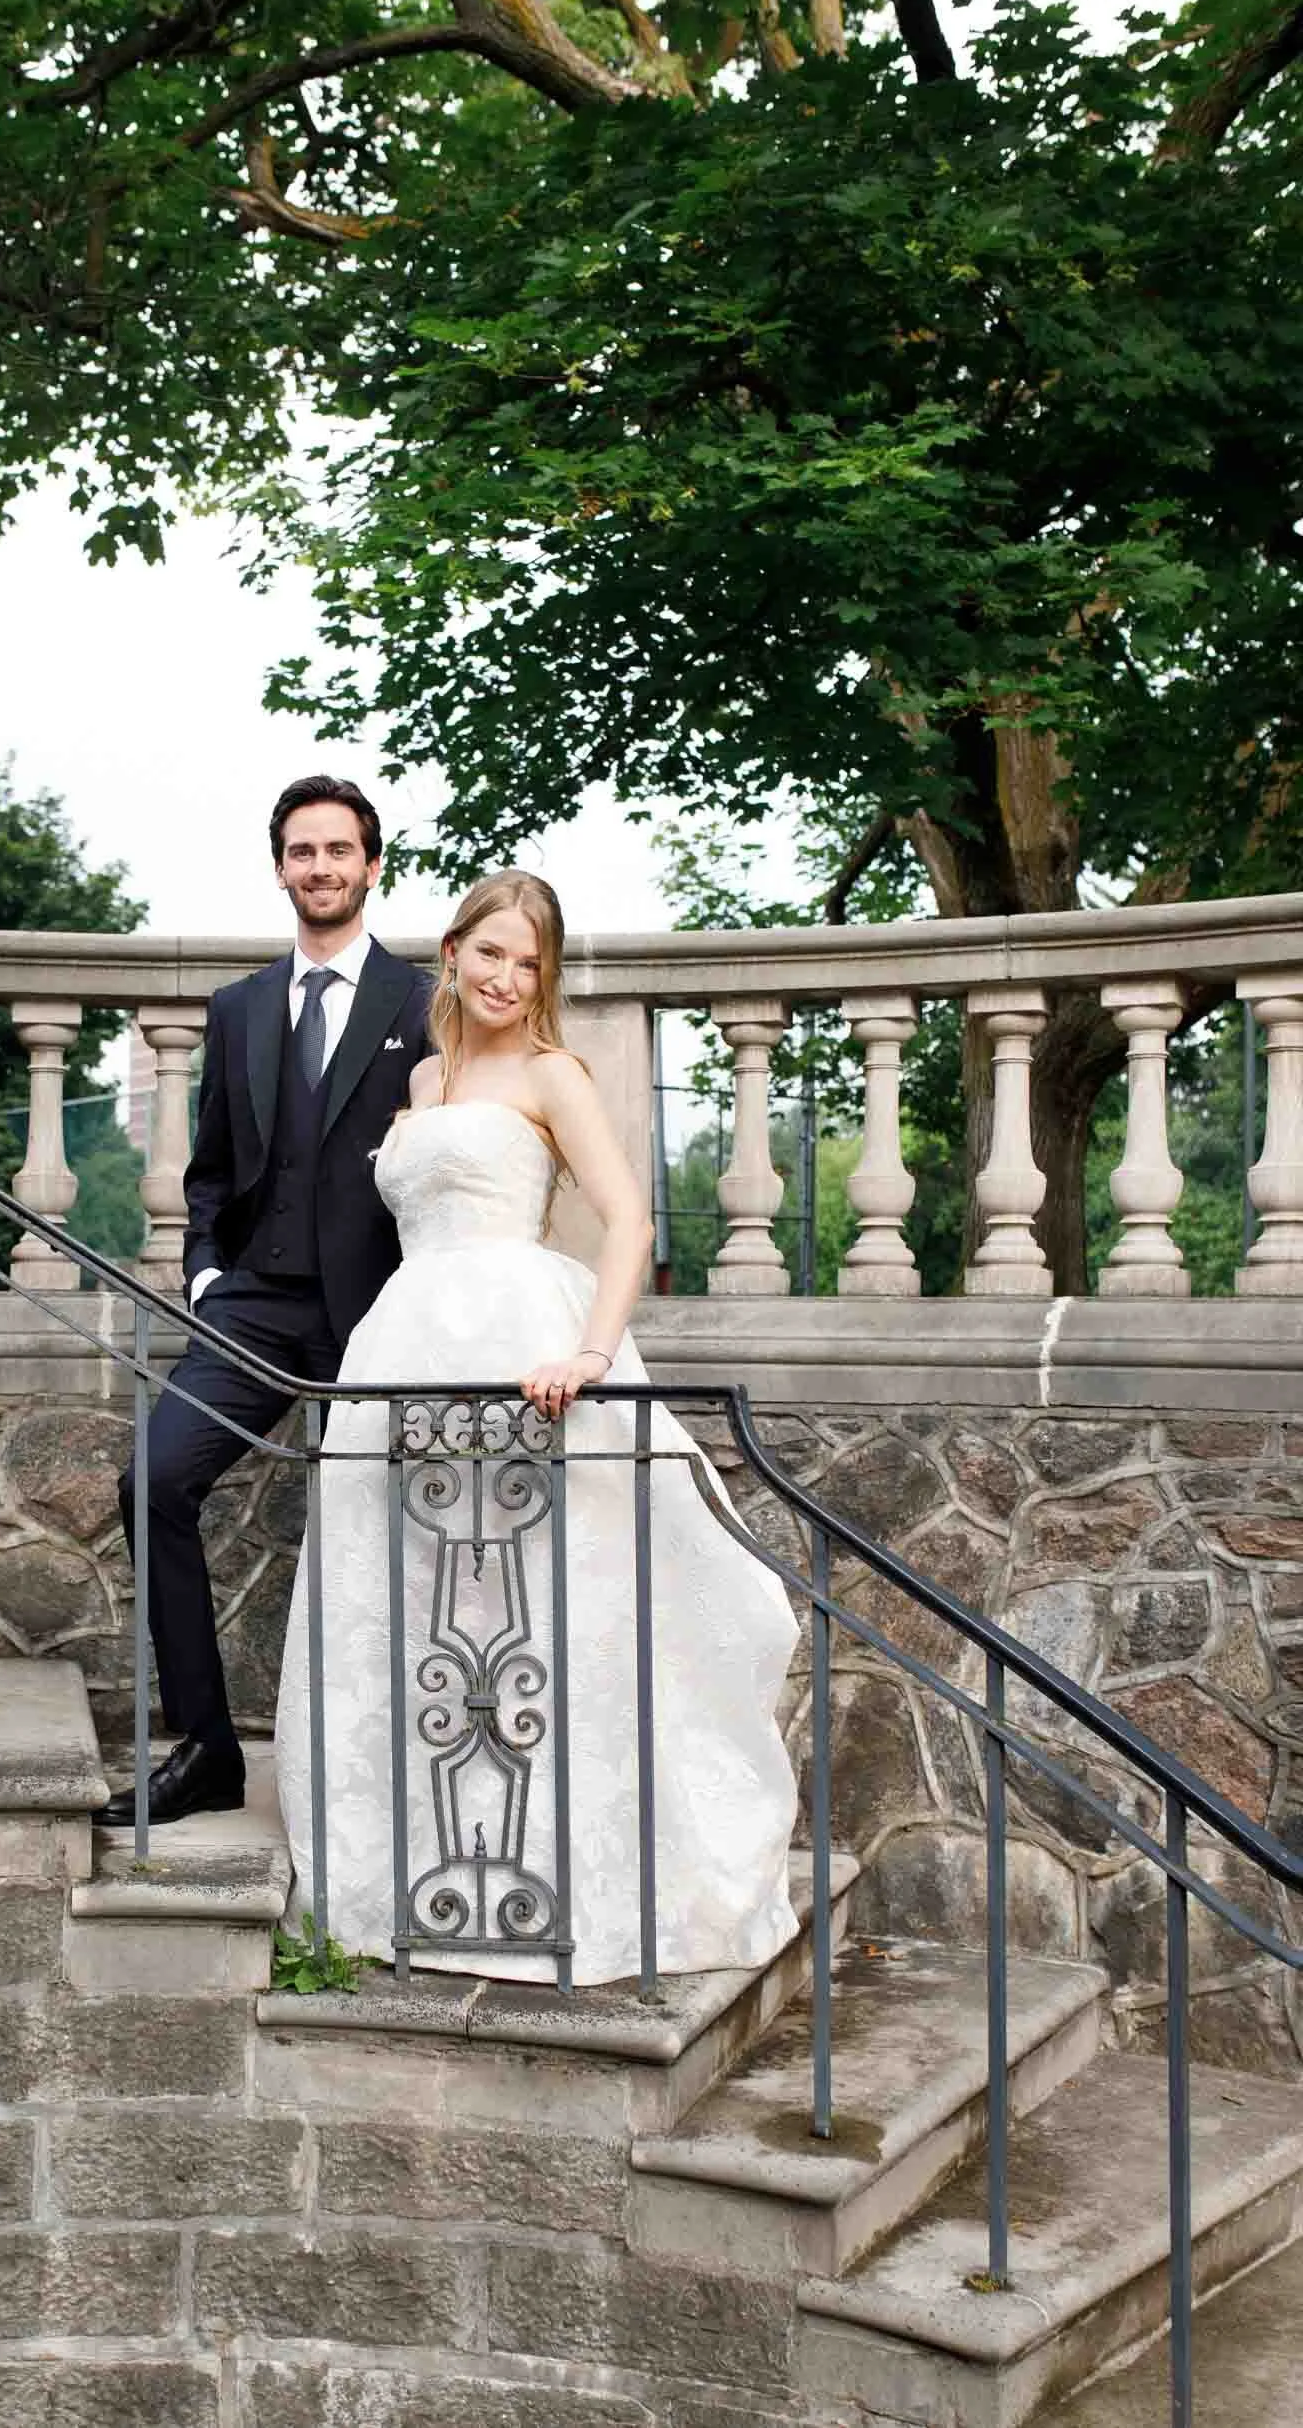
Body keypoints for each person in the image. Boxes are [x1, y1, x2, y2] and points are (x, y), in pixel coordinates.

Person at [275, 870, 801, 1986]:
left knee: (545, 1602)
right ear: (454, 951)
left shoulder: (556, 1072)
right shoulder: (422, 1073)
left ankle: (560, 1869)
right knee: (422, 1604)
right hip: (410, 1340)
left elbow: (630, 1221)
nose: (509, 978)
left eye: (531, 964)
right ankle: (419, 1862)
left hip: (521, 1340)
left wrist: (591, 1354)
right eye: (492, 953)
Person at [95, 776, 432, 1830]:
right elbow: (210, 1170)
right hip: (249, 1307)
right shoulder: (238, 1007)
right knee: (153, 1485)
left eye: (340, 849)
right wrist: (204, 1272)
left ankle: (401, 1772)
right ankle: (206, 1748)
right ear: (280, 864)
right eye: (302, 850)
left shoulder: (425, 1002)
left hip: (376, 1310)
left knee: (402, 1529)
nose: (321, 867)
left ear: (373, 865)